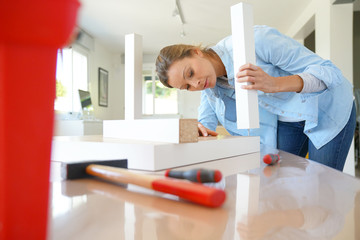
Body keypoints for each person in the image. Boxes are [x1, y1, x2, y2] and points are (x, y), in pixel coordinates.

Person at [155, 25, 356, 171]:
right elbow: (205, 121)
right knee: (281, 180)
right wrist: (199, 129)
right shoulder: (210, 85)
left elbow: (330, 73)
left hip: (325, 107)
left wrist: (275, 84)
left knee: (322, 185)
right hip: (288, 120)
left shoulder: (256, 40)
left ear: (196, 52)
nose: (195, 84)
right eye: (187, 87)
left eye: (190, 73)